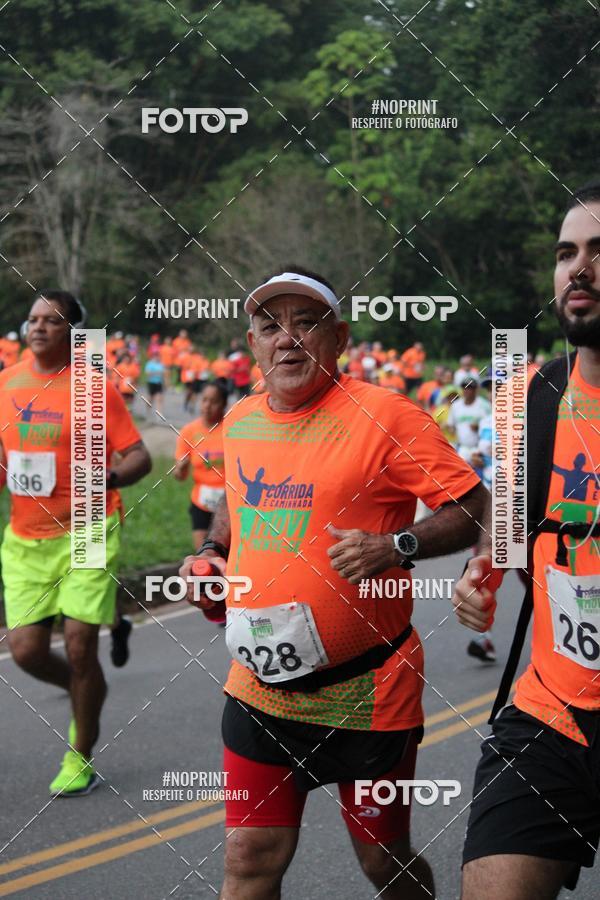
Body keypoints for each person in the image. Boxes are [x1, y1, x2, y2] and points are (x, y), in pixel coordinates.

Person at [179, 266, 489, 899]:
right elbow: (235, 499)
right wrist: (211, 551)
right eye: (270, 326)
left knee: (383, 863)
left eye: (306, 322)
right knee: (248, 857)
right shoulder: (239, 421)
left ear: (339, 337)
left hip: (368, 694)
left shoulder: (387, 415)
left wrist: (397, 545)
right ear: (253, 342)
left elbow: (473, 504)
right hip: (259, 691)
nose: (286, 339)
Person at [452, 182, 600, 900]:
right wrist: (480, 567)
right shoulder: (530, 397)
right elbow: (505, 531)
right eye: (567, 253)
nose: (580, 269)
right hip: (552, 711)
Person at [0, 290, 151, 796]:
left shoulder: (94, 388)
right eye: (33, 318)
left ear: (74, 333)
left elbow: (139, 458)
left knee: (81, 644)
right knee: (25, 652)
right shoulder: (7, 383)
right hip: (26, 538)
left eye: (53, 321)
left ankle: (79, 756)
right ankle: (84, 687)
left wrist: (104, 477)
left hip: (88, 525)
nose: (38, 327)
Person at [174, 382, 227, 549]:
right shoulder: (189, 431)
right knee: (202, 556)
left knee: (227, 555)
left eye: (214, 401)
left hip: (229, 503)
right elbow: (180, 477)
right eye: (204, 400)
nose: (207, 406)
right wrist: (181, 468)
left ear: (224, 404)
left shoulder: (232, 428)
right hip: (201, 502)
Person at [144, 349, 165, 420]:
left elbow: (163, 374)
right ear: (153, 356)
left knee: (159, 398)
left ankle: (159, 413)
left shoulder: (161, 364)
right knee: (150, 398)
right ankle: (148, 411)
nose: (157, 357)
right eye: (156, 356)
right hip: (151, 382)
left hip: (159, 383)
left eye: (158, 356)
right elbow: (148, 373)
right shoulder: (150, 364)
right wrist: (156, 373)